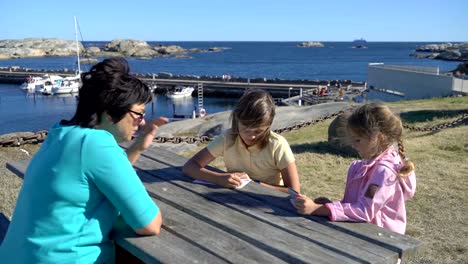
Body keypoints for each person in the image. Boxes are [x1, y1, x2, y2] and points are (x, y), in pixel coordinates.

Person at [0, 58, 168, 263]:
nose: (141, 122)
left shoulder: (61, 132)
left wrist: (138, 147)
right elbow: (149, 224)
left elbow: (97, 176)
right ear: (110, 110)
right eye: (138, 114)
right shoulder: (97, 144)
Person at [293, 103, 416, 234]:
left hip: (379, 240)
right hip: (366, 234)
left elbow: (364, 210)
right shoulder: (370, 165)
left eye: (357, 140)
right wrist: (329, 206)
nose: (353, 145)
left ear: (379, 138)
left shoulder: (384, 172)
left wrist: (317, 209)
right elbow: (358, 204)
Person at [183, 89, 300, 193]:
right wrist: (218, 178)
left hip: (269, 203)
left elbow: (294, 191)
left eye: (258, 131)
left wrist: (255, 185)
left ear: (269, 125)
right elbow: (190, 167)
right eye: (245, 129)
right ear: (236, 120)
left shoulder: (277, 145)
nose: (252, 136)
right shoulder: (227, 138)